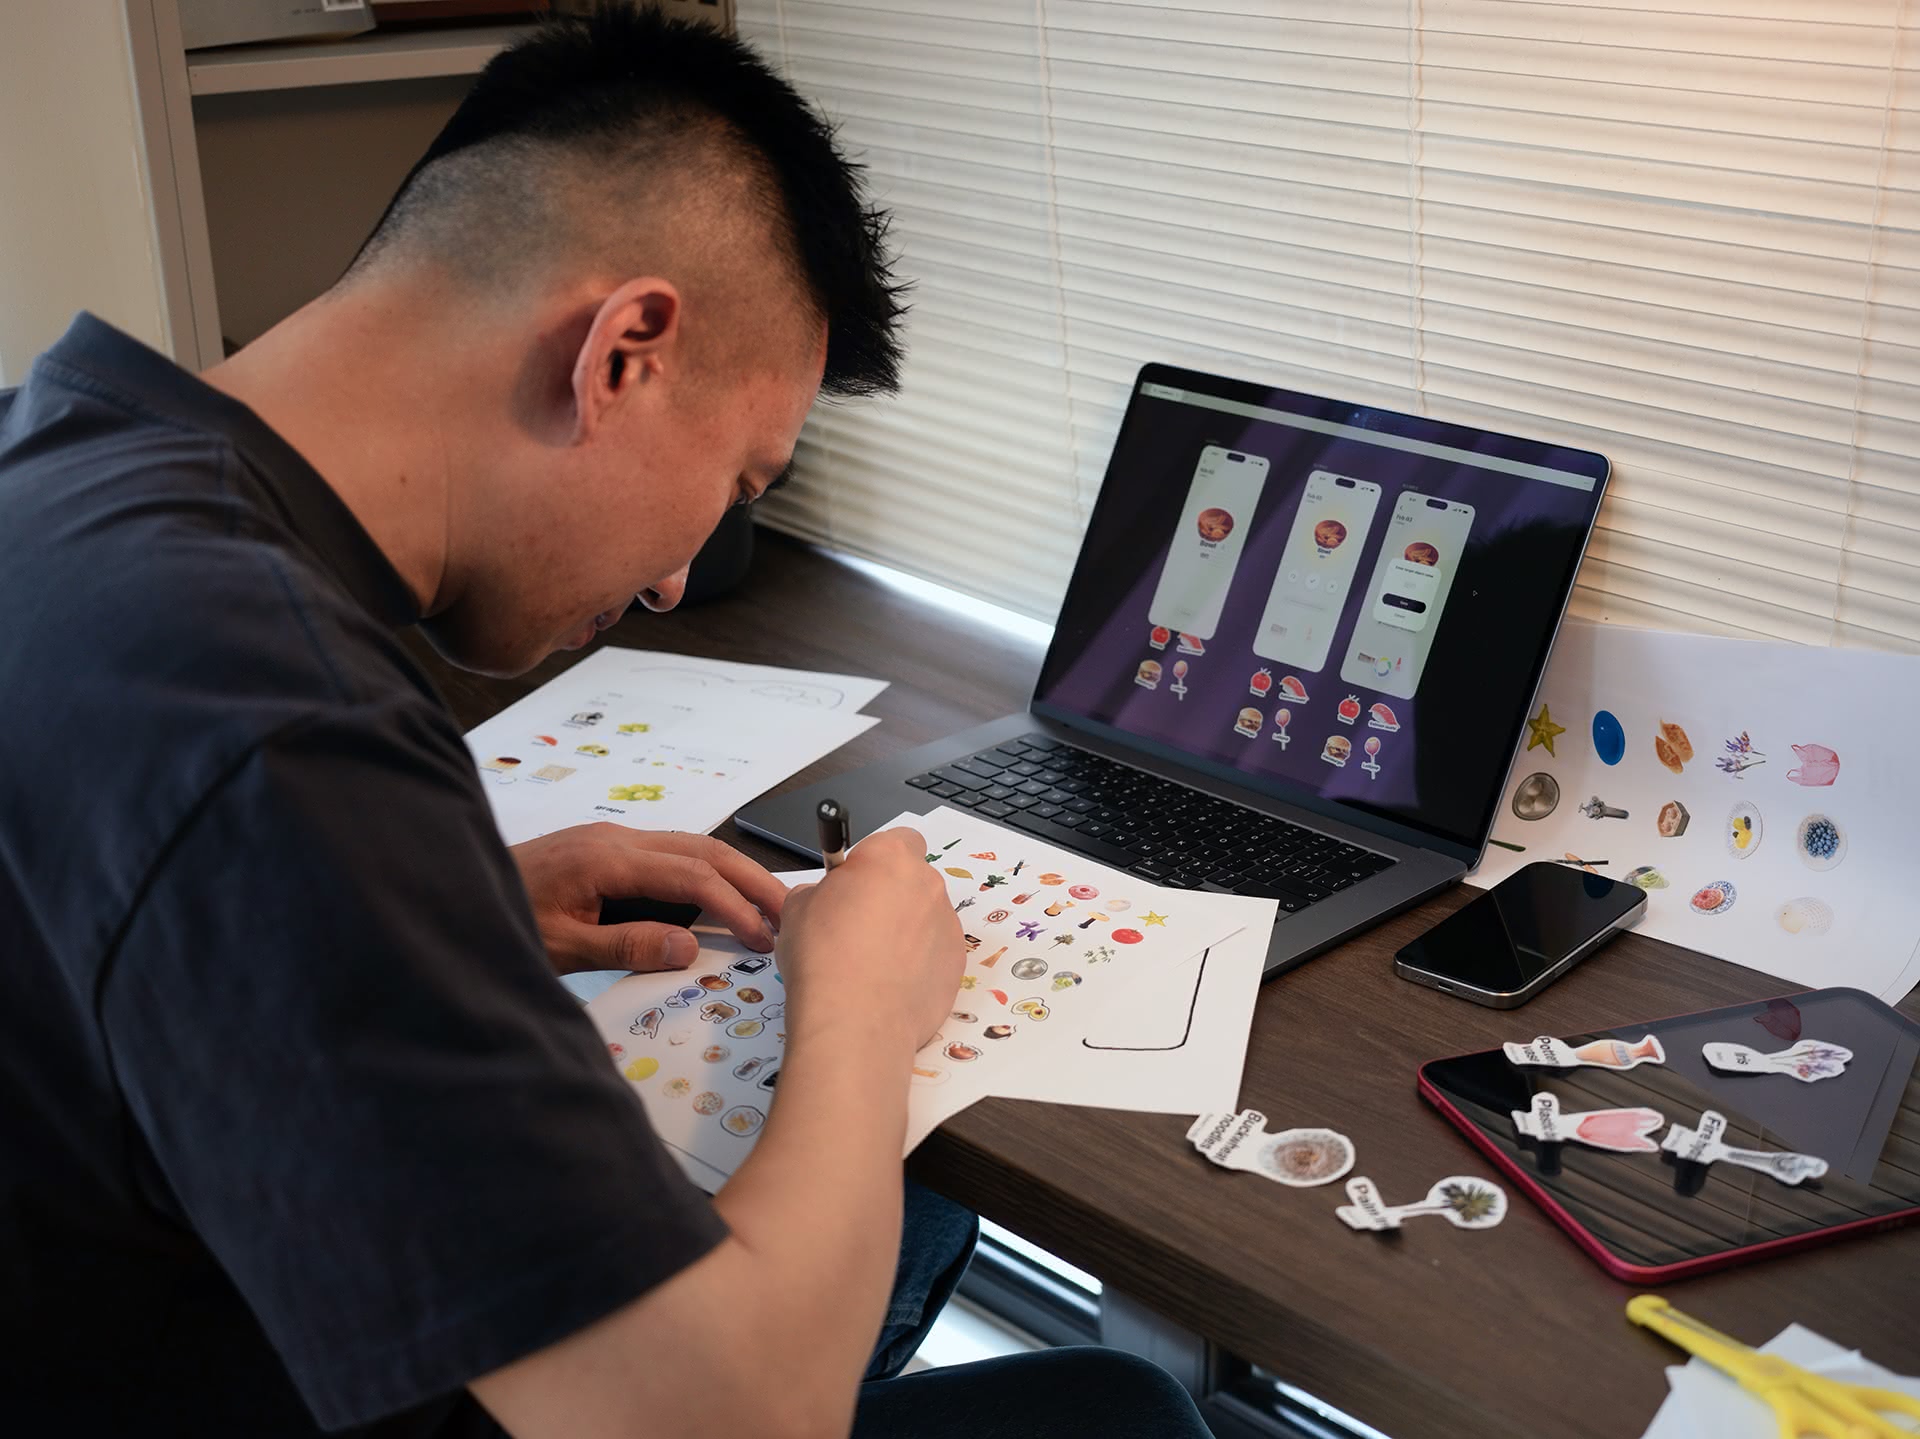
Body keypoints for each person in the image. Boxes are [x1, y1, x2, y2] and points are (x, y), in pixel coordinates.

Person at [0, 9, 1214, 1438]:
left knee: (919, 1243)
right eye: (740, 481)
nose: (680, 575)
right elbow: (729, 1420)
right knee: (1109, 1412)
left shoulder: (65, 450)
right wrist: (865, 1020)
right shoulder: (275, 723)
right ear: (625, 352)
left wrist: (448, 907)